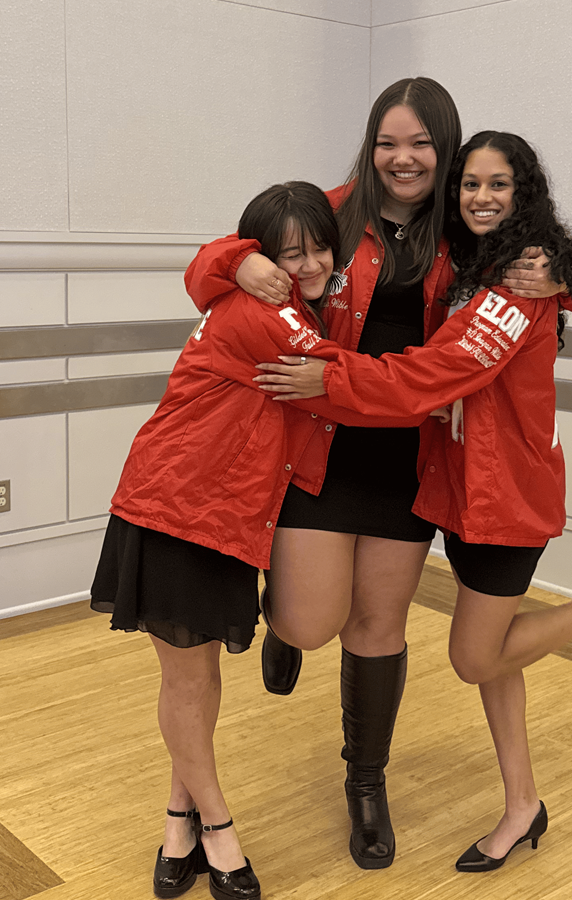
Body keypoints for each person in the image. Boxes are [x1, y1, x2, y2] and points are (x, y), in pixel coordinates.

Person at [183, 77, 572, 871]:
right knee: (307, 620)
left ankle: (366, 784)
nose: (403, 159)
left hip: (406, 455)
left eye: (422, 145)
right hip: (320, 440)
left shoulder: (466, 233)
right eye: (388, 143)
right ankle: (283, 630)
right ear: (370, 148)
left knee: (378, 627)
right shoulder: (334, 211)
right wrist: (236, 259)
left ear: (446, 149)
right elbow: (210, 268)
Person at [254, 132, 572, 873]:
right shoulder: (470, 259)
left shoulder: (519, 279)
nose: (480, 198)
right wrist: (239, 261)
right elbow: (251, 242)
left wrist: (332, 380)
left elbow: (439, 372)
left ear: (523, 194)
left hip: (504, 495)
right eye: (471, 185)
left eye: (498, 186)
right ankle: (522, 804)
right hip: (456, 490)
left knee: (477, 658)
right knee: (495, 656)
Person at [90, 182, 357, 900]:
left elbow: (341, 191)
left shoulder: (275, 299)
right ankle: (218, 828)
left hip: (224, 514)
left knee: (197, 678)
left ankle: (178, 817)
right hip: (175, 508)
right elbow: (342, 378)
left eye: (319, 248)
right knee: (186, 678)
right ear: (262, 258)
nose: (307, 264)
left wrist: (381, 159)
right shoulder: (265, 312)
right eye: (287, 252)